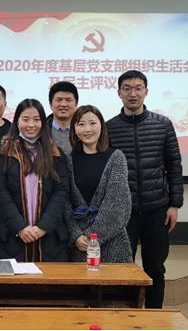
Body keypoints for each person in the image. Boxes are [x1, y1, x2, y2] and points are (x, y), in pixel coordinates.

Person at [106, 70, 183, 308]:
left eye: (138, 88)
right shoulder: (109, 128)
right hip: (124, 212)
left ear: (146, 91)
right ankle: (126, 315)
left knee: (155, 267)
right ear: (119, 92)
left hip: (156, 209)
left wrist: (175, 204)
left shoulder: (163, 125)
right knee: (122, 267)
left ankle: (153, 316)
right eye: (127, 88)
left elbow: (174, 165)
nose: (133, 93)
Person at [0, 98, 69, 262]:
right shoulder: (5, 151)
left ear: (43, 122)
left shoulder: (55, 152)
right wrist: (20, 226)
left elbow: (61, 191)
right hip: (11, 236)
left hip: (50, 238)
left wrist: (43, 226)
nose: (31, 125)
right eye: (25, 119)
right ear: (17, 121)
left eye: (36, 119)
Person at [64, 105, 132, 263]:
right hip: (78, 245)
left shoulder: (116, 157)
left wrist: (92, 237)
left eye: (92, 123)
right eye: (81, 124)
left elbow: (117, 204)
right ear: (74, 129)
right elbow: (64, 203)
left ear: (102, 125)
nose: (87, 129)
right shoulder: (67, 160)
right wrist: (76, 235)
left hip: (112, 243)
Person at [47, 81, 78, 155]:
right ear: (50, 104)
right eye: (58, 100)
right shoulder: (41, 131)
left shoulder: (85, 130)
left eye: (68, 100)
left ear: (76, 104)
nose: (63, 104)